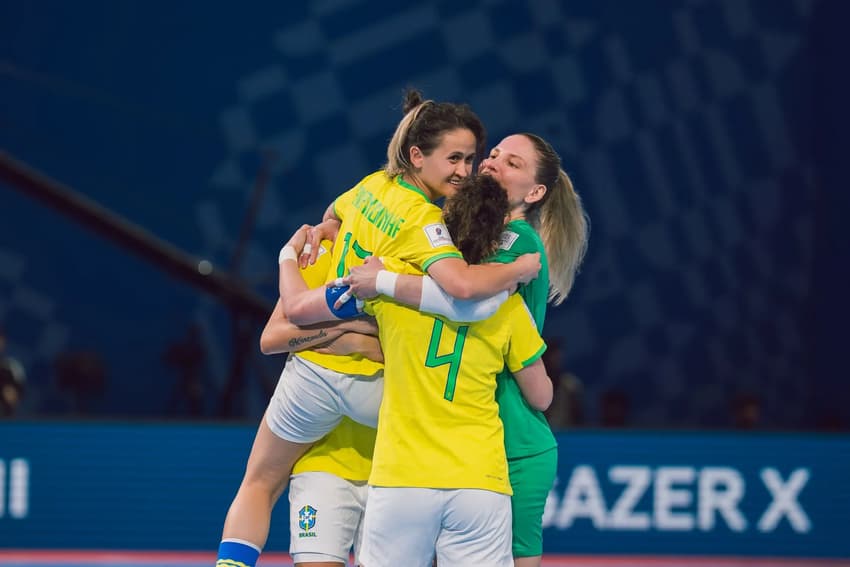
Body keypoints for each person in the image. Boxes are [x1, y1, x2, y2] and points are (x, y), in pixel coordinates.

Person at [217, 90, 538, 567]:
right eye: (455, 158)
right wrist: (517, 270)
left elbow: (331, 216)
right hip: (379, 389)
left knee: (259, 482)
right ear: (417, 155)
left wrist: (314, 239)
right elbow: (460, 286)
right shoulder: (426, 223)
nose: (464, 171)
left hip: (313, 376)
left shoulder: (369, 186)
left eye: (471, 160)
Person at [282, 173, 553, 566]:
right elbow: (542, 396)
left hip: (401, 479)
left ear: (441, 225)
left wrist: (288, 257)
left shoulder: (385, 277)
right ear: (496, 240)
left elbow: (298, 310)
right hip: (479, 481)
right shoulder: (508, 306)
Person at [344, 132, 589, 567]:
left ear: (534, 193)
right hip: (462, 441)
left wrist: (382, 281)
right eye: (493, 154)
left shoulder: (518, 244)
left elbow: (466, 299)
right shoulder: (467, 240)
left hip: (511, 441)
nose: (493, 163)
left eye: (513, 163)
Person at [217, 236, 382, 567]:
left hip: (392, 468)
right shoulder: (327, 249)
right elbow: (271, 338)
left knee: (259, 482)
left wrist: (287, 256)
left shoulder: (412, 257)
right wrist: (348, 332)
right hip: (329, 464)